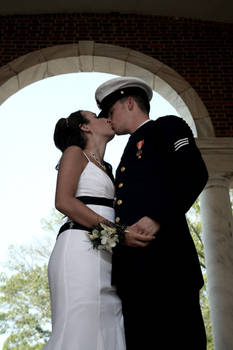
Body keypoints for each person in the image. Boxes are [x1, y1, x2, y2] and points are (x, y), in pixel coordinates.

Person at [95, 76, 209, 350]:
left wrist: (157, 216)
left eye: (111, 112)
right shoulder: (126, 154)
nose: (109, 120)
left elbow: (194, 173)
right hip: (133, 275)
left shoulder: (167, 127)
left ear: (130, 102)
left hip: (169, 266)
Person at [43, 110, 126, 350]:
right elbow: (64, 202)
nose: (107, 117)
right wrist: (118, 233)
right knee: (81, 325)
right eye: (96, 116)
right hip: (79, 250)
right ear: (85, 127)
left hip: (105, 251)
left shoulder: (108, 169)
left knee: (110, 326)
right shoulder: (75, 153)